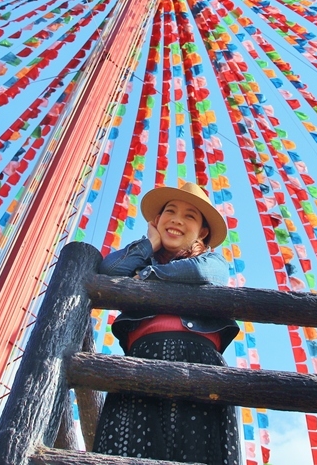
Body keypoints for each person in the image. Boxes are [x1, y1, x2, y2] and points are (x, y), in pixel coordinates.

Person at [93, 182, 242, 465]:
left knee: (198, 451)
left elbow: (207, 272)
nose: (176, 219)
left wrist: (149, 276)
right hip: (142, 359)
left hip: (198, 361)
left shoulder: (210, 261)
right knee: (129, 451)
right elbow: (108, 270)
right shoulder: (138, 259)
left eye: (190, 216)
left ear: (203, 232)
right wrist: (149, 244)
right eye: (169, 211)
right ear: (156, 221)